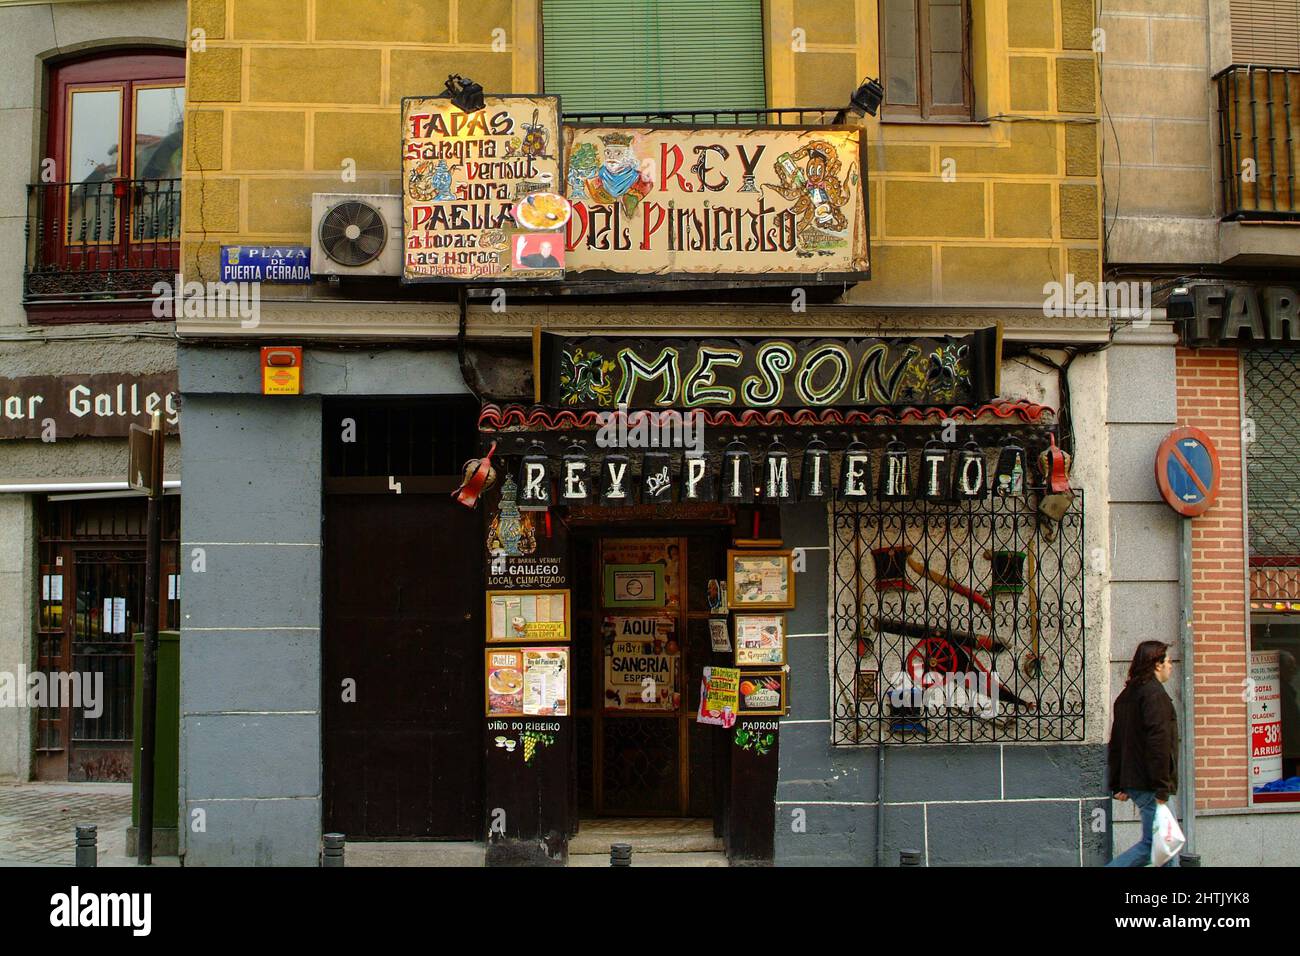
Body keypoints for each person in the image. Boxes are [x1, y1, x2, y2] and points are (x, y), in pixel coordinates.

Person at [1105, 640, 1180, 867]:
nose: (1171, 666)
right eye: (1167, 662)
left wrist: (1118, 783)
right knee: (1155, 846)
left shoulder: (1126, 696)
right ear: (1157, 665)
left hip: (1138, 782)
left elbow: (1116, 743)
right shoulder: (1154, 695)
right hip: (1151, 783)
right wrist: (1161, 787)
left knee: (1166, 847)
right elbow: (1158, 743)